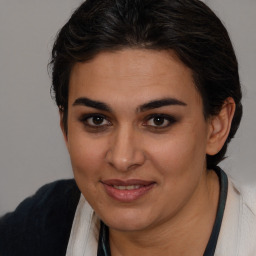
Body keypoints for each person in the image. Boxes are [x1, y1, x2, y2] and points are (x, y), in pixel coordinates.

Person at [0, 0, 255, 255]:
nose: (122, 159)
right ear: (65, 128)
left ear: (217, 126)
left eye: (158, 120)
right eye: (96, 120)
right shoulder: (40, 227)